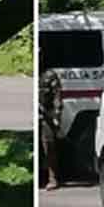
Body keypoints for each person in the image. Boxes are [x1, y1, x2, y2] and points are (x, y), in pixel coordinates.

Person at [39, 49, 63, 190]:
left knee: (49, 146)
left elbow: (57, 98)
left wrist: (56, 118)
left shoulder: (49, 76)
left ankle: (52, 178)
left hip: (46, 116)